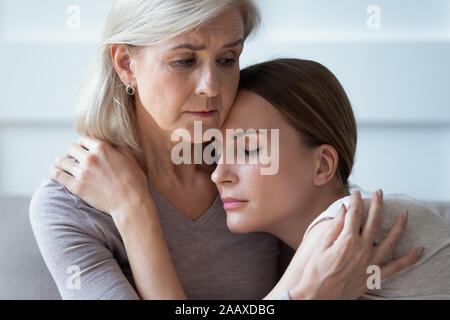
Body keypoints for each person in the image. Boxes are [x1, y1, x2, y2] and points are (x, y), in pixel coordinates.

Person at [30, 0, 419, 300]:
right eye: (184, 60)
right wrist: (134, 211)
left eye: (227, 59)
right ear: (126, 64)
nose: (211, 86)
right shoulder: (68, 208)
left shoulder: (258, 171)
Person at [210, 59, 450, 299]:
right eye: (217, 153)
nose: (218, 175)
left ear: (322, 165)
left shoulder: (348, 218)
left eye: (249, 149)